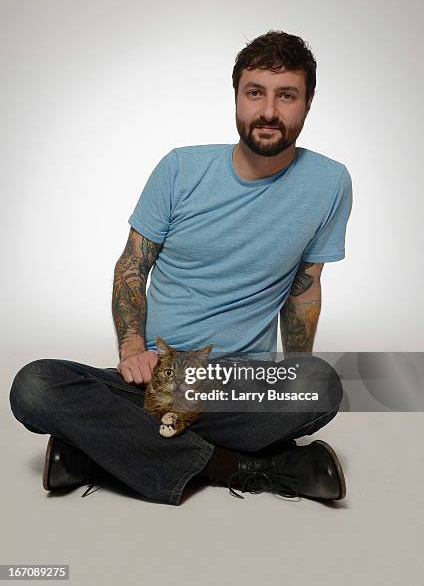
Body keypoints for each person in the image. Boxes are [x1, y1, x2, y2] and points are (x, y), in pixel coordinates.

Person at [9, 30, 352, 505]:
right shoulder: (180, 169)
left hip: (237, 385)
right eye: (255, 93)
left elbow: (305, 289)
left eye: (286, 95)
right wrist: (131, 347)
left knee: (320, 384)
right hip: (157, 379)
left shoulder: (330, 182)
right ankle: (246, 465)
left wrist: (287, 379)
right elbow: (131, 267)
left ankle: (98, 453)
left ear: (308, 104)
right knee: (34, 385)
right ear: (236, 97)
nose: (269, 111)